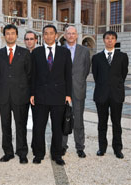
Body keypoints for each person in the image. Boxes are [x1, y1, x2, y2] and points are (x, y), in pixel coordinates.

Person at [30, 25, 72, 166]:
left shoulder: (64, 53)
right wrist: (32, 93)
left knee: (57, 128)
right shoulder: (36, 52)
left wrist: (68, 94)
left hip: (59, 96)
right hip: (40, 96)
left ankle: (57, 154)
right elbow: (32, 76)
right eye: (46, 33)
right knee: (38, 127)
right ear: (43, 35)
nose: (48, 36)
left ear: (56, 35)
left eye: (51, 33)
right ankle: (38, 154)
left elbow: (68, 75)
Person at [0, 24, 32, 164]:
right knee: (5, 125)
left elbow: (29, 75)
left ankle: (22, 152)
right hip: (4, 96)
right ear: (4, 36)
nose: (10, 36)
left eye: (12, 33)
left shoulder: (25, 53)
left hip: (20, 96)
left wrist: (28, 94)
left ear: (16, 35)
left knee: (20, 125)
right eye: (7, 33)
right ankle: (8, 152)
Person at [92, 31, 129, 159]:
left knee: (116, 123)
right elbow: (96, 76)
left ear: (116, 40)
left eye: (112, 38)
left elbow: (123, 74)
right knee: (102, 123)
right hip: (101, 95)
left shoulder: (122, 56)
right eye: (107, 38)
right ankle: (102, 148)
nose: (110, 40)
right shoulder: (96, 58)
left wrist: (115, 86)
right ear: (103, 40)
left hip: (116, 95)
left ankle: (117, 148)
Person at [62, 26, 91, 158]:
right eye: (69, 33)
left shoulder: (84, 51)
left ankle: (80, 147)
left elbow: (86, 70)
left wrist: (78, 82)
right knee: (62, 119)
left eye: (73, 33)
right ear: (65, 35)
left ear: (77, 35)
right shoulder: (59, 50)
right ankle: (62, 146)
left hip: (78, 89)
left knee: (78, 120)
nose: (71, 36)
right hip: (62, 91)